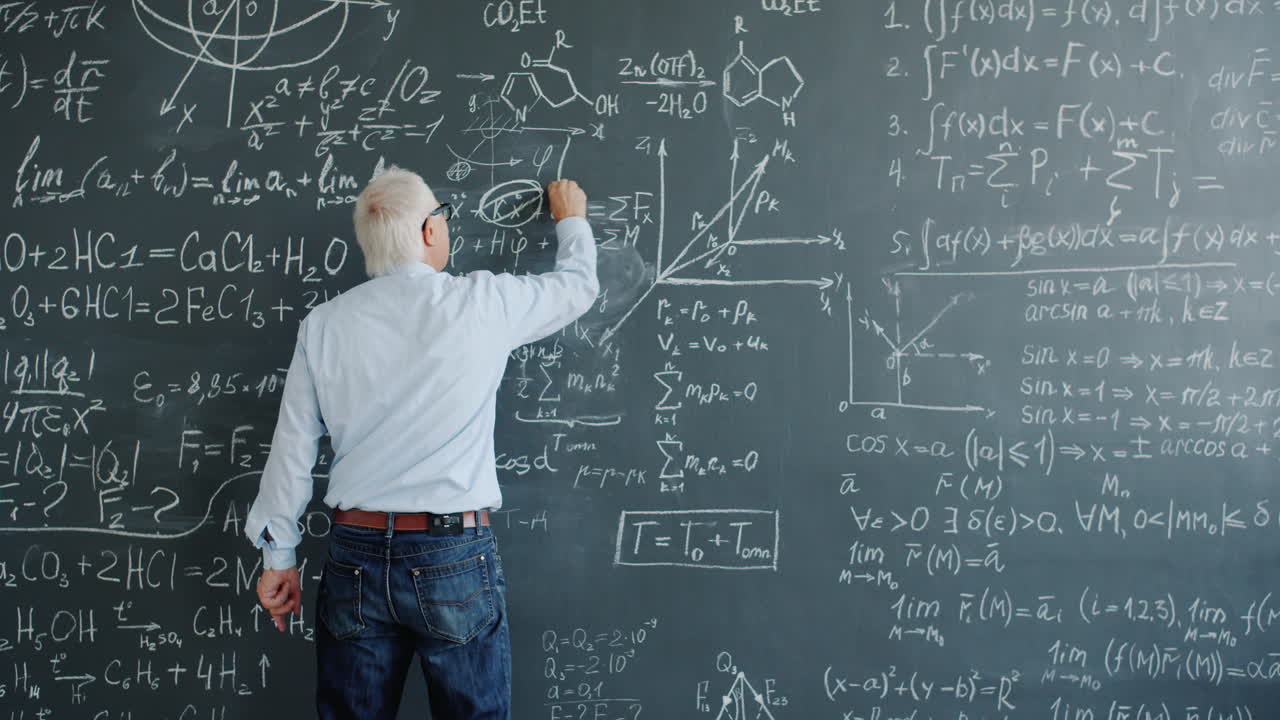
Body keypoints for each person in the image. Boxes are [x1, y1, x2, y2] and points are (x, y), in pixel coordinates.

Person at [243, 167, 598, 719]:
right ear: (431, 229)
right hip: (452, 552)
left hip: (353, 556)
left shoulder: (324, 325)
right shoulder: (483, 303)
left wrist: (278, 556)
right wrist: (571, 219)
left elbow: (291, 448)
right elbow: (576, 287)